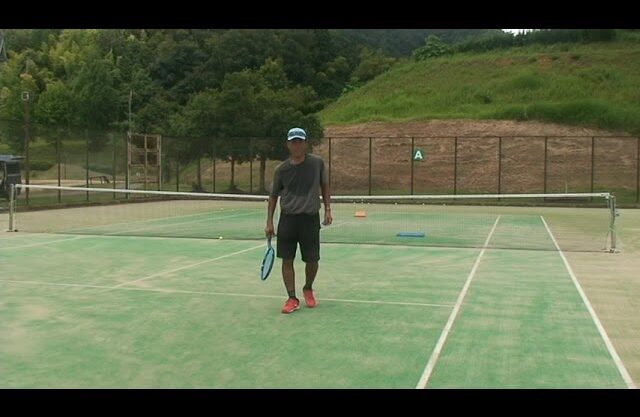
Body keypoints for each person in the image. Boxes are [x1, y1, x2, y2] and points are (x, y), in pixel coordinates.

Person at [265, 127, 332, 314]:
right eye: (293, 142)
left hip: (310, 219)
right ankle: (292, 298)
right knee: (287, 259)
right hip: (288, 219)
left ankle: (308, 288)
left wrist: (328, 209)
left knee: (312, 260)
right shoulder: (281, 170)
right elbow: (273, 196)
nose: (297, 145)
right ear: (288, 144)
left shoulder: (317, 163)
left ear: (306, 144)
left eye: (300, 141)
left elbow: (325, 185)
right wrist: (269, 221)